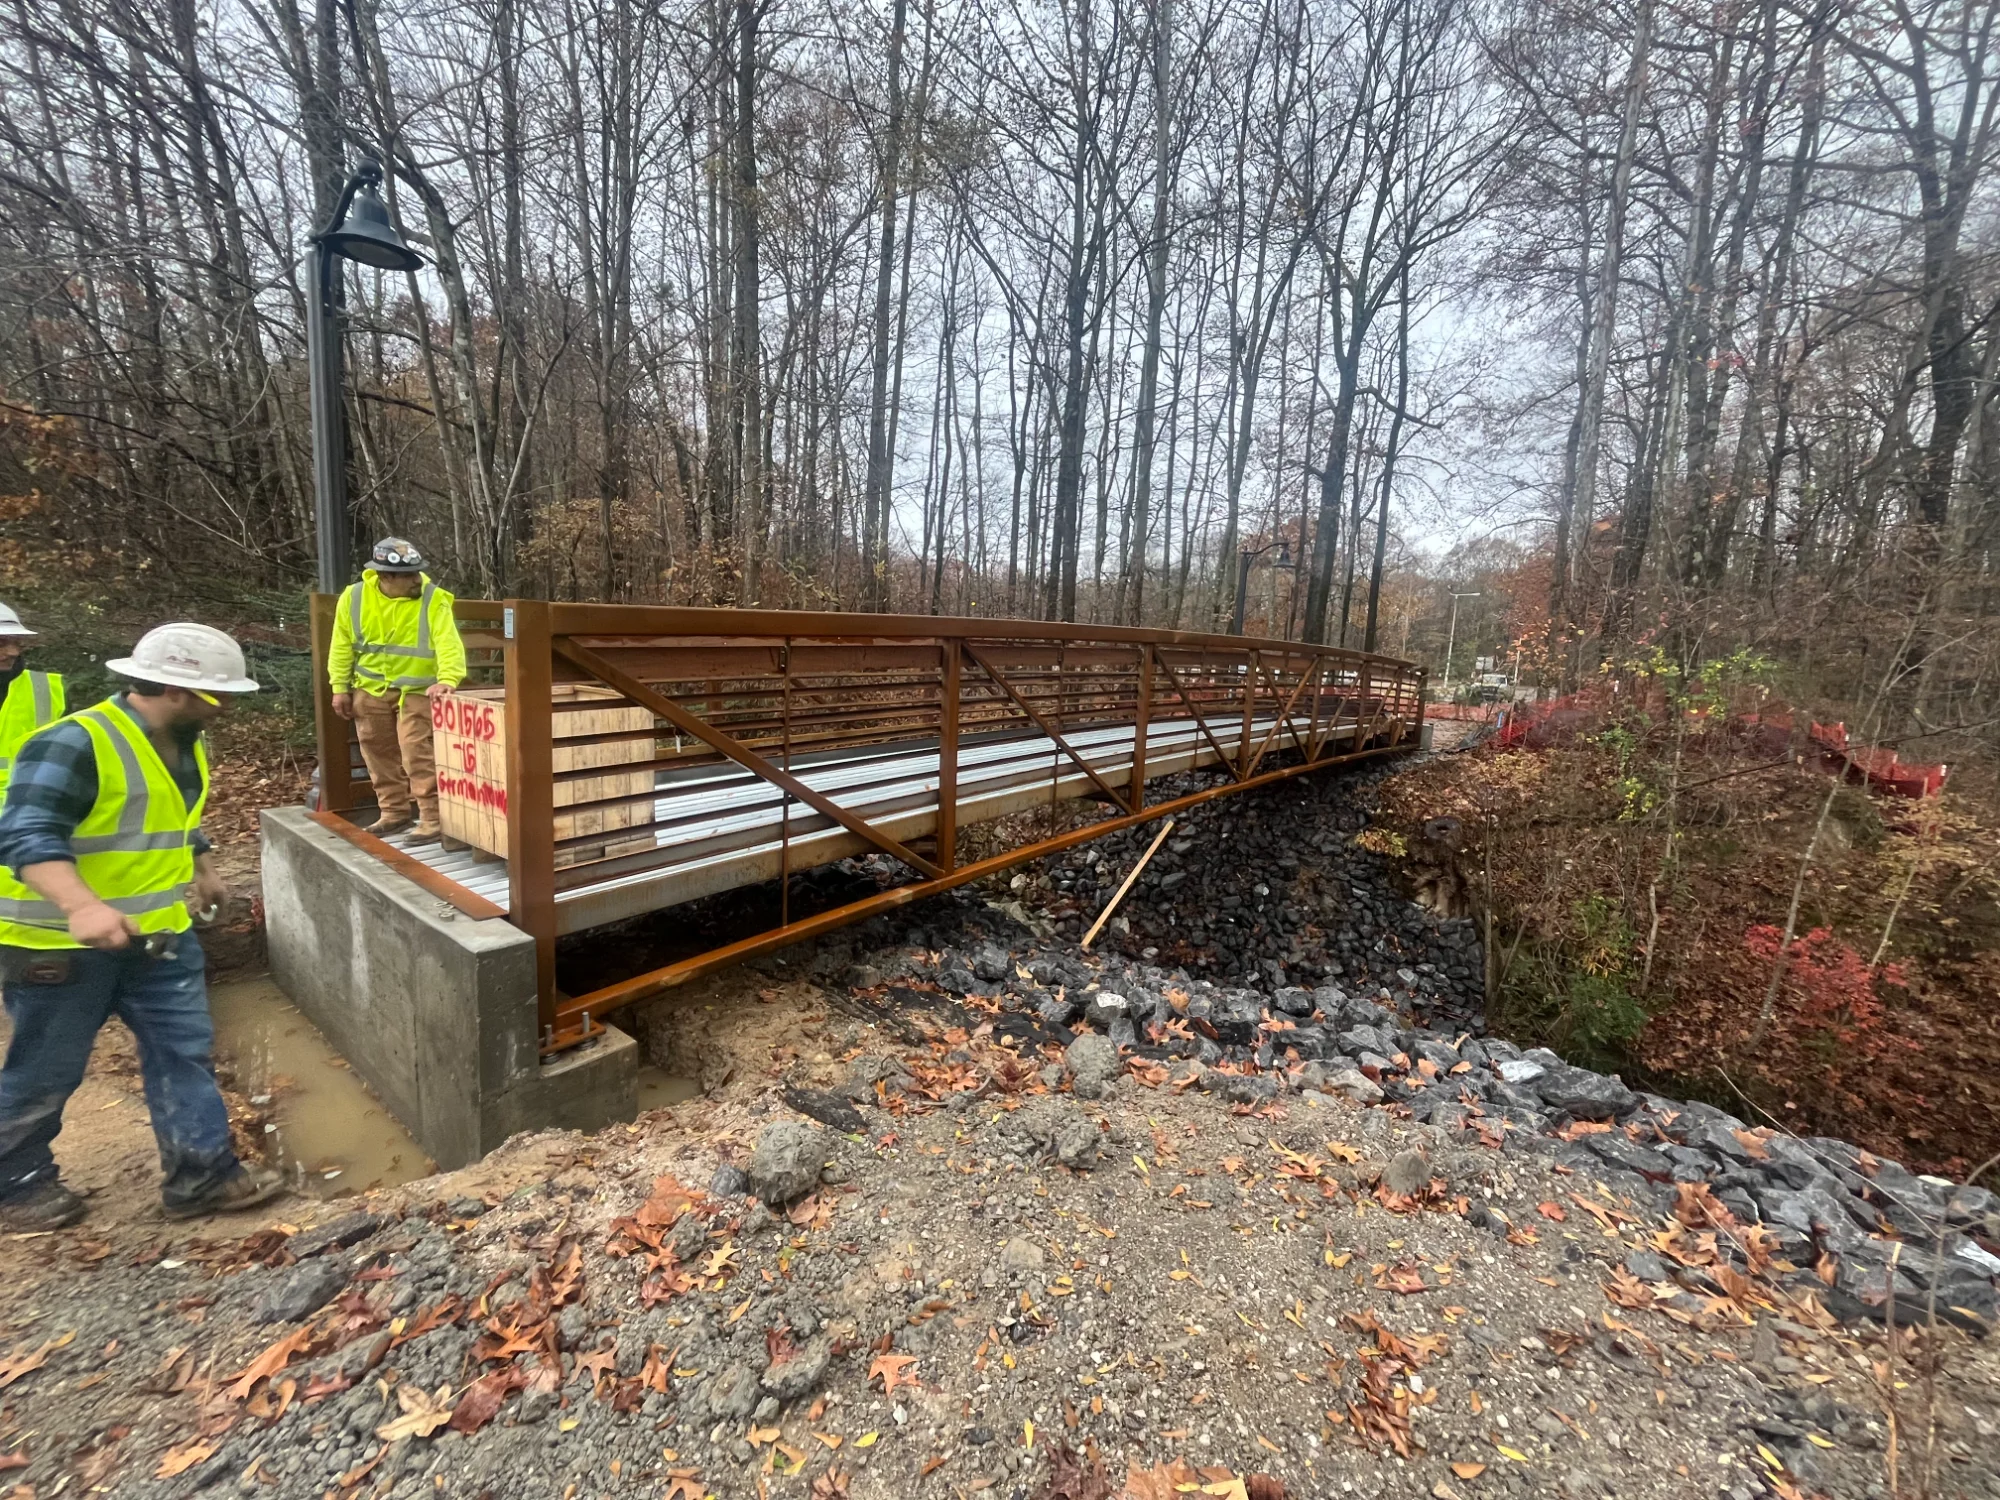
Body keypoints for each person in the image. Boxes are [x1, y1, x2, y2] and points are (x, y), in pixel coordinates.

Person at [0, 622, 283, 1230]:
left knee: (183, 1054)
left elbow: (173, 815)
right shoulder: (74, 743)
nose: (225, 707)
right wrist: (81, 905)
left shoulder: (183, 740)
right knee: (47, 1069)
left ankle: (201, 1176)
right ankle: (17, 1184)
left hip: (159, 936)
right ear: (176, 690)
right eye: (218, 696)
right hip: (59, 944)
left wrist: (203, 867)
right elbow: (24, 834)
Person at [327, 538, 466, 844]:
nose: (417, 579)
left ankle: (432, 818)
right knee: (377, 750)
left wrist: (449, 679)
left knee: (417, 751)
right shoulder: (354, 598)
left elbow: (449, 643)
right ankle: (394, 813)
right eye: (409, 575)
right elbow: (341, 645)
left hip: (418, 690)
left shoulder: (432, 598)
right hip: (371, 689)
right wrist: (339, 687)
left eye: (418, 572)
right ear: (384, 577)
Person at [0, 603, 65, 799]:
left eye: (17, 642)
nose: (13, 652)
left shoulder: (47, 689)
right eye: (1, 642)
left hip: (24, 817)